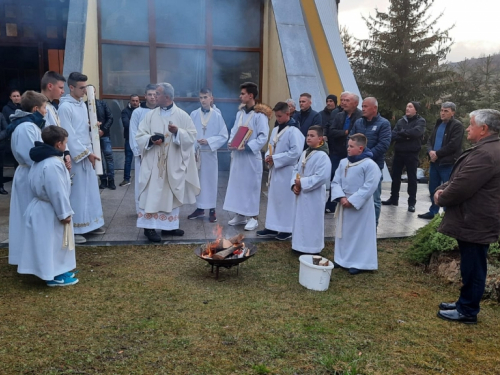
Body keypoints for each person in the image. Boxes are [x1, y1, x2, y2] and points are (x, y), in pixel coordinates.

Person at [435, 109, 500, 324]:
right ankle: (464, 302)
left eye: (471, 124)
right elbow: (460, 176)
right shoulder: (486, 149)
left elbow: (462, 186)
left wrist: (442, 197)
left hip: (476, 220)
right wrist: (443, 187)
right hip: (474, 218)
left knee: (473, 266)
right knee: (470, 264)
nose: (468, 128)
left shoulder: (486, 153)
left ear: (484, 129)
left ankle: (467, 310)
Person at [135, 82, 200, 242]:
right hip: (154, 164)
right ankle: (148, 229)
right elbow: (139, 135)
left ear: (168, 97)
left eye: (157, 94)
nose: (154, 96)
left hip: (172, 164)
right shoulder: (149, 115)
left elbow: (192, 136)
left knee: (169, 194)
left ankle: (168, 227)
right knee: (152, 193)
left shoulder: (182, 116)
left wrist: (178, 132)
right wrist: (150, 140)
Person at [17, 126, 78, 287]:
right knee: (50, 243)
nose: (66, 146)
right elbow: (56, 191)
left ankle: (59, 268)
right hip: (49, 209)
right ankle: (52, 275)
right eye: (65, 142)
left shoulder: (42, 159)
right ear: (58, 144)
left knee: (56, 242)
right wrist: (64, 213)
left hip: (43, 207)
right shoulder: (52, 164)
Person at [59, 72, 104, 244]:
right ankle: (76, 228)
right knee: (77, 193)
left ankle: (91, 224)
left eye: (86, 86)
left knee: (90, 191)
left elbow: (80, 127)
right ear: (71, 87)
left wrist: (92, 126)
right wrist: (85, 153)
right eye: (82, 87)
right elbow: (67, 133)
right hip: (77, 156)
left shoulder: (82, 105)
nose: (85, 90)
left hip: (88, 152)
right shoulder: (65, 107)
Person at [331, 133, 382, 275]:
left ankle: (359, 262)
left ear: (360, 148)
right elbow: (336, 181)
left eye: (351, 146)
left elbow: (370, 186)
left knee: (360, 234)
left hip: (361, 207)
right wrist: (341, 197)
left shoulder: (370, 165)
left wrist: (353, 200)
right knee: (344, 232)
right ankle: (342, 259)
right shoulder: (343, 163)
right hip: (344, 202)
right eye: (348, 145)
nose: (348, 148)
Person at [223, 82, 271, 231]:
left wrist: (248, 147)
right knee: (238, 186)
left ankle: (254, 217)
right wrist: (231, 143)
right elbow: (234, 131)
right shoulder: (240, 113)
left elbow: (263, 136)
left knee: (251, 187)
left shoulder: (259, 115)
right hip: (238, 156)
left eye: (243, 94)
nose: (240, 96)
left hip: (250, 157)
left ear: (251, 95)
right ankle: (240, 215)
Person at [6, 91, 46, 266]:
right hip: (29, 175)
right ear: (36, 108)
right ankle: (30, 258)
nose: (46, 112)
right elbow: (32, 154)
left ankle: (32, 256)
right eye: (44, 108)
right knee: (28, 216)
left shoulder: (29, 125)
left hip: (30, 172)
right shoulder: (26, 127)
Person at [257, 102, 304, 240]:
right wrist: (268, 157)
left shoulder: (294, 131)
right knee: (274, 199)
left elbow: (296, 152)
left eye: (280, 116)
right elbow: (270, 146)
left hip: (287, 170)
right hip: (275, 170)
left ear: (288, 114)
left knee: (285, 201)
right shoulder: (275, 130)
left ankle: (286, 229)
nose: (277, 119)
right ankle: (272, 226)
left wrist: (275, 158)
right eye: (276, 116)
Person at [418, 102, 464, 219]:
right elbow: (430, 140)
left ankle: (447, 215)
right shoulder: (438, 123)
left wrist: (437, 153)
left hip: (447, 163)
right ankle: (433, 211)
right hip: (435, 163)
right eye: (442, 110)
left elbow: (453, 145)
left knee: (447, 190)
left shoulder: (457, 126)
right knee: (433, 188)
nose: (443, 113)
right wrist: (430, 151)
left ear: (453, 112)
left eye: (446, 111)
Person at [188, 88, 228, 223]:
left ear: (211, 98)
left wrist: (209, 141)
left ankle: (212, 209)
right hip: (197, 154)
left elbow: (223, 135)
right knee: (197, 181)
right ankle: (199, 208)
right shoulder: (193, 114)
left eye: (205, 97)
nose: (203, 100)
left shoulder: (217, 115)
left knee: (210, 181)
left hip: (210, 153)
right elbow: (189, 133)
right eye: (201, 97)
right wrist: (193, 148)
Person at [350, 97, 391, 227]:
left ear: (374, 108)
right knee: (357, 196)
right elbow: (350, 139)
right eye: (362, 106)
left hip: (374, 167)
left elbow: (384, 144)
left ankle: (373, 227)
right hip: (356, 166)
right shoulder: (358, 123)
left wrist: (366, 156)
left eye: (366, 106)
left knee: (374, 199)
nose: (362, 109)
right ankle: (359, 226)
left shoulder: (384, 124)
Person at [290, 125, 331, 254]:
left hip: (314, 194)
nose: (308, 138)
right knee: (300, 219)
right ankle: (299, 245)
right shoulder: (305, 152)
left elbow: (322, 177)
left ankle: (312, 248)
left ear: (320, 139)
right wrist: (294, 185)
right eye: (307, 135)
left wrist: (301, 182)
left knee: (312, 220)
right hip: (301, 192)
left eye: (312, 136)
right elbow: (296, 169)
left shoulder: (323, 156)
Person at [383, 102, 426, 212]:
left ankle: (411, 203)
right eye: (406, 106)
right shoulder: (401, 121)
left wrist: (402, 133)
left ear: (416, 110)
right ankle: (393, 199)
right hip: (399, 152)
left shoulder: (420, 121)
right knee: (395, 176)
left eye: (410, 107)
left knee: (412, 178)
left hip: (412, 153)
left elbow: (416, 133)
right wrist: (406, 136)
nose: (407, 108)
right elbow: (393, 134)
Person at [325, 92, 362, 213]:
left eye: (347, 100)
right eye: (343, 100)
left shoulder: (360, 117)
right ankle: (331, 202)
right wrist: (344, 133)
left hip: (351, 153)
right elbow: (332, 131)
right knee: (334, 177)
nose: (344, 103)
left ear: (355, 103)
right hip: (337, 151)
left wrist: (346, 134)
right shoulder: (339, 115)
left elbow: (355, 135)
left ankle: (347, 201)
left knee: (348, 178)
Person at [129, 84, 157, 212]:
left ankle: (156, 207)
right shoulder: (137, 112)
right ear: (145, 96)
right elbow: (133, 133)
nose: (152, 97)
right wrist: (138, 151)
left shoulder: (162, 111)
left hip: (158, 152)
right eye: (150, 94)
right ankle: (141, 208)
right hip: (143, 152)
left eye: (155, 94)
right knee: (142, 182)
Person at [41, 71, 72, 171]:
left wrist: (66, 152)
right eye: (61, 87)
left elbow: (59, 130)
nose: (63, 91)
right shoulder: (40, 108)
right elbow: (47, 135)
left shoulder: (52, 106)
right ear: (50, 86)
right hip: (49, 158)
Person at [90, 99, 115, 190]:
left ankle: (111, 180)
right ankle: (103, 180)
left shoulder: (103, 103)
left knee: (108, 157)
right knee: (97, 157)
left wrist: (103, 130)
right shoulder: (85, 105)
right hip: (92, 135)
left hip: (104, 135)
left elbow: (110, 117)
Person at [120, 94, 140, 186]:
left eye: (136, 101)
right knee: (128, 160)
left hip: (141, 139)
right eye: (133, 101)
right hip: (129, 139)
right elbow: (126, 124)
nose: (135, 102)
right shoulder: (125, 111)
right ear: (130, 101)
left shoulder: (142, 111)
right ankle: (126, 179)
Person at [0, 113, 8, 195]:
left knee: (0, 167)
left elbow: (6, 129)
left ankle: (0, 186)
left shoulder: (1, 115)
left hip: (0, 145)